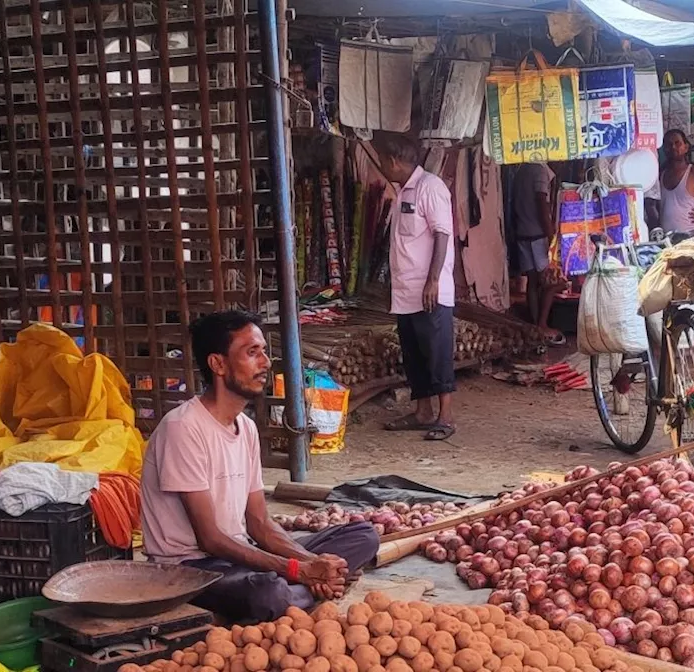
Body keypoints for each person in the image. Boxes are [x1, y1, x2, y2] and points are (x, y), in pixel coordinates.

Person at [140, 310, 379, 623]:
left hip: (239, 552)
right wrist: (299, 570)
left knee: (364, 535)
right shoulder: (183, 428)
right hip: (190, 569)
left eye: (264, 351)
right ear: (218, 364)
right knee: (266, 594)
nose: (265, 362)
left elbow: (260, 524)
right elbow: (209, 539)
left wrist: (311, 562)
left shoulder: (247, 427)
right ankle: (307, 589)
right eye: (252, 353)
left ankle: (311, 585)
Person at [375, 133, 458, 441]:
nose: (382, 167)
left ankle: (445, 416)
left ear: (394, 162)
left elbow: (442, 234)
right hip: (407, 289)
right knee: (415, 353)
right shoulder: (403, 192)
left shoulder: (430, 187)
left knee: (437, 352)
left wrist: (434, 279)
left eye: (384, 161)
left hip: (429, 288)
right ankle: (423, 411)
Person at [511, 162, 564, 344]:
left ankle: (535, 324)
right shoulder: (539, 171)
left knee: (532, 282)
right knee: (550, 283)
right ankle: (542, 324)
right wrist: (551, 238)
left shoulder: (520, 170)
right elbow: (542, 204)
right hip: (538, 235)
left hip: (523, 233)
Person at [658, 129, 694, 236]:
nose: (673, 147)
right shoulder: (661, 174)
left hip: (689, 236)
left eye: (677, 143)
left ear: (686, 147)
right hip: (666, 239)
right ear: (664, 149)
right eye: (669, 144)